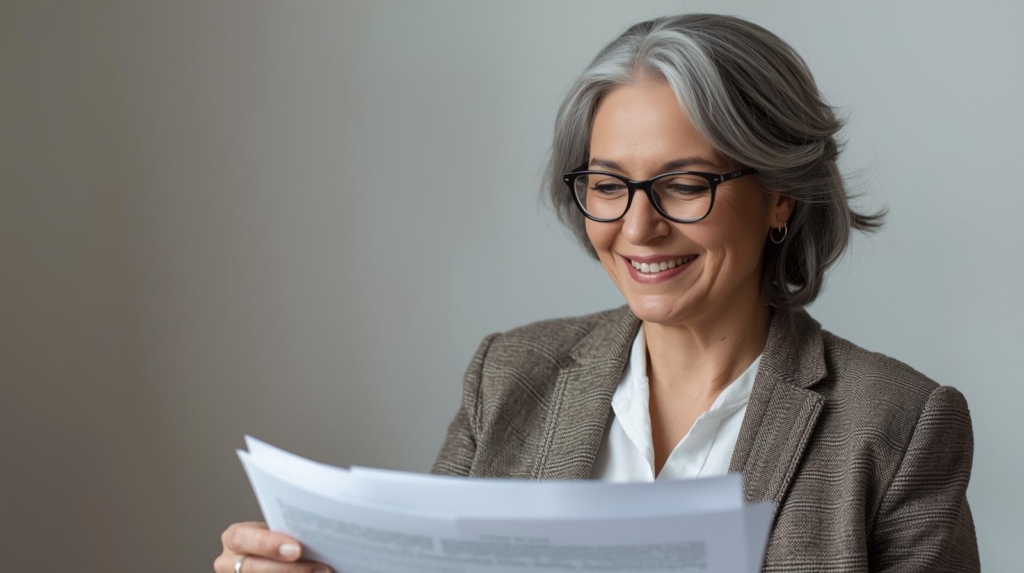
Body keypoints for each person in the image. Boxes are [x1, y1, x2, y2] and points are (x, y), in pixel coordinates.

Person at [215, 13, 979, 573]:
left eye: (684, 184)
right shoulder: (509, 374)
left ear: (781, 195)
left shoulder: (899, 424)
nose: (638, 228)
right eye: (608, 185)